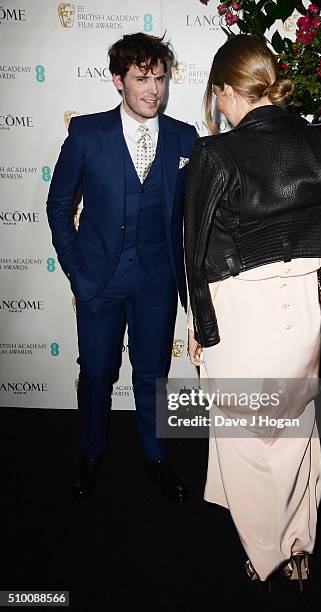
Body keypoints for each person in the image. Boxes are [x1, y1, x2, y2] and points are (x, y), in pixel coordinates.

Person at [184, 34, 321, 587]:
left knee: (244, 438)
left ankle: (265, 553)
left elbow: (194, 250)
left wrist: (201, 325)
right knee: (294, 426)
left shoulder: (215, 154)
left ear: (225, 92)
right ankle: (299, 543)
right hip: (303, 306)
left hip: (240, 310)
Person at [47, 32, 198, 502]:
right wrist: (77, 268)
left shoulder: (183, 137)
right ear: (117, 80)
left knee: (152, 373)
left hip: (157, 279)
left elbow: (192, 216)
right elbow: (58, 205)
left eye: (159, 78)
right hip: (100, 280)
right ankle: (90, 452)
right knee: (95, 370)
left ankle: (156, 457)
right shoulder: (87, 133)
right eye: (141, 79)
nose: (153, 90)